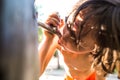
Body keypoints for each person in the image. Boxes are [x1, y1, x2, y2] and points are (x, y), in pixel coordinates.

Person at [38, 0, 120, 80]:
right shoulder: (58, 36)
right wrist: (48, 40)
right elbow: (35, 72)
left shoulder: (100, 55)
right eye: (71, 24)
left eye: (76, 42)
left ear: (97, 48)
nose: (64, 36)